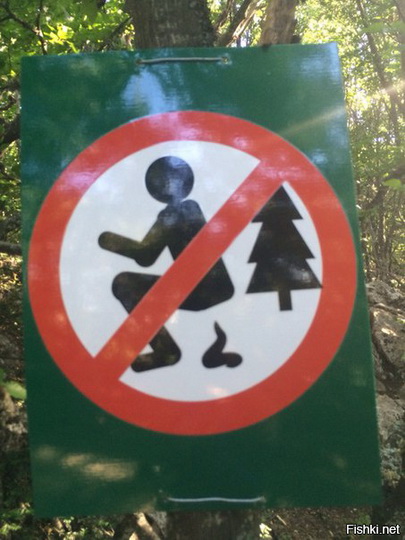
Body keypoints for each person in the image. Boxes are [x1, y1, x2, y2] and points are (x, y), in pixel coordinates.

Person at [98, 156, 235, 371]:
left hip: (205, 287)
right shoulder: (188, 209)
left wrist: (109, 241)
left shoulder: (178, 212)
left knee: (124, 283)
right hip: (207, 286)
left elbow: (146, 256)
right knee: (129, 283)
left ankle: (165, 351)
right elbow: (148, 256)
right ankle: (166, 351)